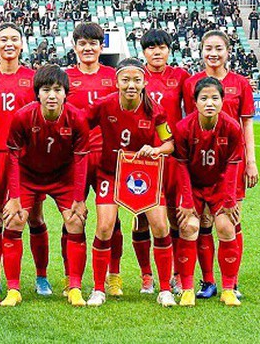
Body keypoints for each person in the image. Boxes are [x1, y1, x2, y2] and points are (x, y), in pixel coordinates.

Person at [86, 58, 177, 307]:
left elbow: (169, 143)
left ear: (144, 82)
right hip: (110, 173)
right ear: (116, 82)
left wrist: (156, 150)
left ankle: (165, 289)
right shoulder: (104, 105)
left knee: (160, 226)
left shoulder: (155, 110)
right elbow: (81, 126)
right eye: (125, 80)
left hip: (142, 174)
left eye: (137, 80)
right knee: (105, 227)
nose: (131, 85)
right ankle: (98, 289)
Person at [0, 65, 90, 307]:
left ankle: (74, 287)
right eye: (46, 90)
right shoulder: (22, 117)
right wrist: (14, 197)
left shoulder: (77, 118)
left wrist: (79, 199)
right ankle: (13, 289)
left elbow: (81, 160)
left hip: (63, 177)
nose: (51, 95)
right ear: (37, 93)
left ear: (65, 93)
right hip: (29, 176)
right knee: (14, 220)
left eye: (57, 90)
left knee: (75, 221)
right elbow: (13, 157)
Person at [182, 30, 257, 300]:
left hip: (231, 163)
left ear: (227, 51)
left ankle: (231, 282)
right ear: (201, 50)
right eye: (208, 48)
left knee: (230, 219)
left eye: (219, 48)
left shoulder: (241, 83)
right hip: (200, 163)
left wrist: (251, 161)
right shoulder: (191, 83)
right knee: (203, 221)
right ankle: (208, 281)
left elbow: (247, 124)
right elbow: (187, 121)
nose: (213, 54)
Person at [0, 23, 49, 295]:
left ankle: (41, 277)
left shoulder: (34, 78)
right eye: (3, 39)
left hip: (26, 158)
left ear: (22, 43)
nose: (9, 44)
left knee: (33, 217)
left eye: (14, 39)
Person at [173, 77, 245, 307]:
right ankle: (187, 289)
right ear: (195, 102)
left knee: (226, 226)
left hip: (220, 185)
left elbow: (233, 165)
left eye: (215, 98)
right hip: (193, 185)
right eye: (204, 98)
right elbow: (181, 165)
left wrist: (230, 199)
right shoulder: (183, 128)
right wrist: (186, 200)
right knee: (189, 227)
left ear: (223, 101)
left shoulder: (232, 127)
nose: (209, 103)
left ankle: (228, 289)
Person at [62, 22, 119, 296]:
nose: (88, 48)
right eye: (82, 44)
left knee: (111, 220)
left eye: (93, 43)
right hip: (76, 158)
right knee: (73, 217)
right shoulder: (65, 78)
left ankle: (113, 277)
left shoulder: (113, 76)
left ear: (101, 47)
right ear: (74, 47)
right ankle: (69, 277)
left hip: (108, 157)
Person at [134, 28, 189, 294]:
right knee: (142, 219)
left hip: (172, 157)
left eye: (162, 47)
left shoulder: (180, 77)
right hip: (142, 158)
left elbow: (192, 112)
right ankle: (146, 275)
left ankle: (177, 274)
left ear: (169, 50)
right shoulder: (136, 76)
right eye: (151, 48)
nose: (157, 52)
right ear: (143, 52)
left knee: (174, 217)